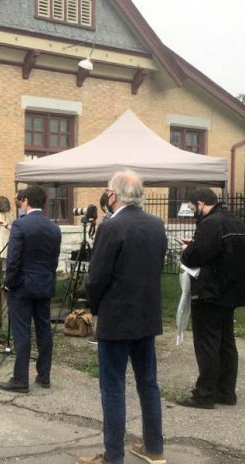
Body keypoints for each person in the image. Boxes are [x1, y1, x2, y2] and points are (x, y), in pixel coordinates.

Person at [78, 170, 167, 464]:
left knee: (113, 386)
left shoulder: (111, 228)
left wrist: (95, 306)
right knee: (148, 382)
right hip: (147, 314)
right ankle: (154, 447)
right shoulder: (156, 224)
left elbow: (96, 276)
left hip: (117, 317)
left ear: (112, 196)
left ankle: (113, 456)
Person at [178, 187, 245, 409]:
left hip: (210, 292)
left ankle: (204, 394)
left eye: (192, 207)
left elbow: (194, 257)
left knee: (207, 344)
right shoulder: (234, 221)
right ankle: (225, 391)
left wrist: (188, 248)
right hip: (230, 291)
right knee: (226, 342)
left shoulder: (210, 224)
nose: (193, 212)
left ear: (201, 204)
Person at [0, 186, 61, 394]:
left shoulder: (20, 226)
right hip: (44, 284)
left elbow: (13, 260)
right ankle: (44, 375)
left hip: (22, 286)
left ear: (26, 201)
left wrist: (10, 282)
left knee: (22, 332)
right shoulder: (54, 228)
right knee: (44, 330)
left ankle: (20, 379)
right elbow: (54, 260)